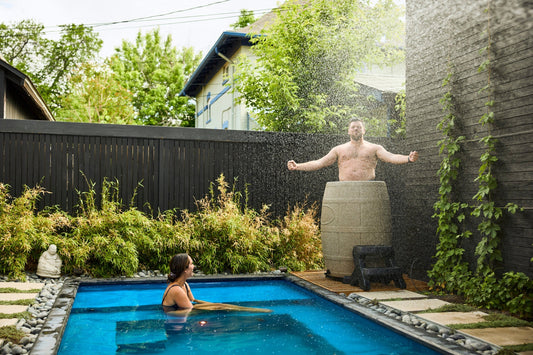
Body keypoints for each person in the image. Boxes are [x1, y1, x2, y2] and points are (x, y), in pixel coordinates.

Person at [287, 118, 419, 181]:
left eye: (359, 127)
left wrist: (407, 158)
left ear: (364, 130)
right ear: (348, 131)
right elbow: (319, 162)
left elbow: (391, 157)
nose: (356, 129)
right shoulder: (339, 149)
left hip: (368, 189)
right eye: (353, 127)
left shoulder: (374, 148)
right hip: (345, 190)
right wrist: (298, 166)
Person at [161, 253, 271, 315]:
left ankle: (254, 311)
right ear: (185, 269)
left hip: (184, 311)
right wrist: (216, 307)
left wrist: (216, 304)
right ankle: (256, 311)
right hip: (175, 318)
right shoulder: (176, 290)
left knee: (220, 305)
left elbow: (194, 301)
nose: (194, 267)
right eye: (191, 264)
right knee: (219, 306)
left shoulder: (184, 285)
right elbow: (191, 310)